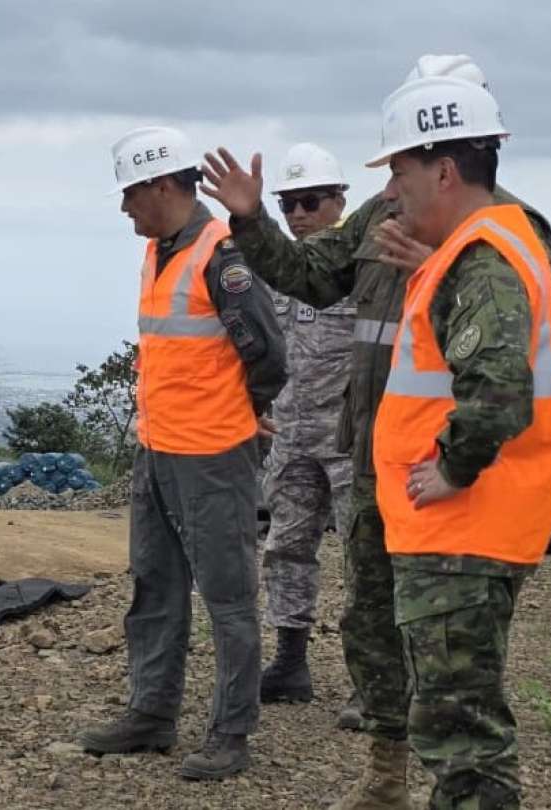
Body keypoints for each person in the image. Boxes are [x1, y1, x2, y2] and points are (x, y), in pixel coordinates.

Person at [199, 55, 551, 807]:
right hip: (377, 462)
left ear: (450, 154)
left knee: (454, 678)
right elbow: (310, 274)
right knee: (375, 629)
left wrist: (439, 268)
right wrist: (251, 221)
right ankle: (386, 781)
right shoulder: (382, 216)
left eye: (400, 165)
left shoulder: (507, 236)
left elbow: (503, 353)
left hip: (459, 494)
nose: (390, 184)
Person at [362, 74, 551, 810]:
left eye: (398, 170)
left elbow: (497, 389)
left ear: (444, 170)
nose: (391, 192)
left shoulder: (483, 256)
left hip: (464, 530)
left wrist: (452, 469)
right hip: (461, 532)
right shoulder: (474, 252)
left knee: (463, 737)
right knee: (455, 723)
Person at [77, 126, 287, 781]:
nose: (123, 208)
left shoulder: (221, 254)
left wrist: (243, 419)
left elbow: (270, 357)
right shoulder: (160, 250)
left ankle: (231, 733)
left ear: (163, 185)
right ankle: (152, 713)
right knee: (155, 585)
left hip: (214, 458)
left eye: (130, 193)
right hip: (157, 452)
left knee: (227, 598)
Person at [257, 143, 354, 704]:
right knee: (286, 548)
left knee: (366, 559)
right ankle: (291, 663)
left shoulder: (364, 269)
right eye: (288, 203)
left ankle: (375, 681)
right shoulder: (276, 275)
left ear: (338, 201)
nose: (297, 214)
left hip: (349, 439)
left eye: (310, 201)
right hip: (290, 437)